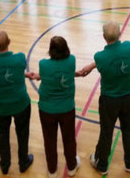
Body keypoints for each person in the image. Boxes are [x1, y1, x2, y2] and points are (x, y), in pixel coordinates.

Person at [77, 21, 130, 175]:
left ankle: (102, 164)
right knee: (129, 128)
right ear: (120, 34)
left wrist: (92, 65)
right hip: (129, 98)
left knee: (106, 131)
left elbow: (103, 60)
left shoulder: (100, 57)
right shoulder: (128, 47)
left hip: (109, 101)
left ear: (104, 37)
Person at [0, 31, 34, 175]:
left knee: (3, 134)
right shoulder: (20, 58)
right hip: (21, 104)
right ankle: (23, 162)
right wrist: (25, 74)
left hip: (1, 106)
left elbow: (2, 72)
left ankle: (5, 165)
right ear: (9, 42)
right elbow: (13, 69)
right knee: (23, 133)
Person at [34, 36, 80, 178]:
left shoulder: (43, 64)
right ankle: (72, 166)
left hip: (47, 110)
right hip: (67, 109)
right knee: (69, 139)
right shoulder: (71, 60)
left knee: (49, 140)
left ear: (51, 50)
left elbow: (45, 75)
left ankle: (52, 170)